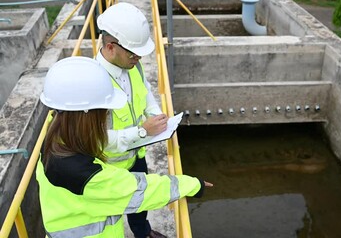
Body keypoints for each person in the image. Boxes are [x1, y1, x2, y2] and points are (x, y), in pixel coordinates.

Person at [36, 56, 213, 238]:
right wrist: (193, 184)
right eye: (104, 112)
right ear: (87, 116)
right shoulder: (85, 175)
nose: (105, 117)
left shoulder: (54, 140)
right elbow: (141, 191)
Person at [96, 3, 169, 238]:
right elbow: (97, 139)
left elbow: (145, 93)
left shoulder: (132, 67)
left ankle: (143, 232)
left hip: (136, 156)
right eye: (133, 53)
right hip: (109, 168)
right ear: (110, 47)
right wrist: (142, 133)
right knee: (110, 217)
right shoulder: (93, 83)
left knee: (141, 201)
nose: (138, 58)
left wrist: (156, 116)